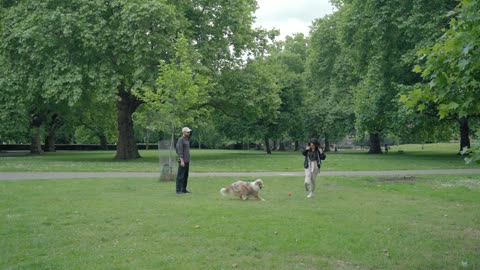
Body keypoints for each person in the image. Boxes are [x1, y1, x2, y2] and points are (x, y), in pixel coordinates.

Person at [176, 127, 192, 194]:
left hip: (187, 160)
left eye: (189, 132)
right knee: (180, 176)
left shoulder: (187, 139)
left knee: (185, 176)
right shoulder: (181, 140)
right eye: (187, 132)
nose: (189, 133)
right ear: (184, 132)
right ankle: (178, 190)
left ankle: (184, 189)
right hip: (182, 161)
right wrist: (181, 160)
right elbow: (179, 151)